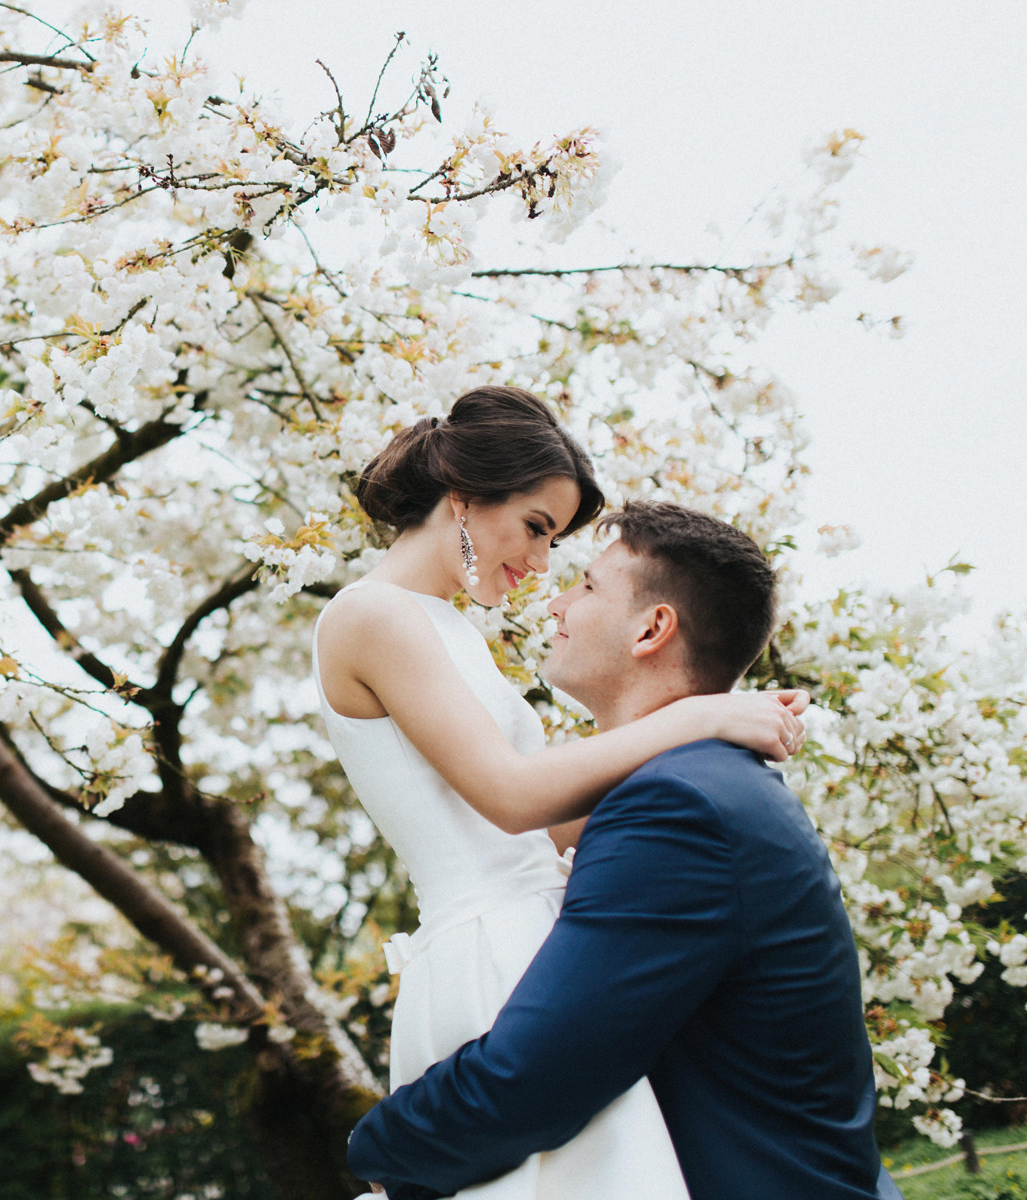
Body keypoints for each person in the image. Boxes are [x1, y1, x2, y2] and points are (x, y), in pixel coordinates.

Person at [312, 386, 811, 1198]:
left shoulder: (443, 627)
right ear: (465, 497)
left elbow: (538, 829)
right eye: (537, 528)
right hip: (489, 950)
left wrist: (695, 774)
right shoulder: (372, 616)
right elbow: (510, 796)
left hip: (536, 937)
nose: (542, 564)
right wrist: (703, 717)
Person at [343, 500, 900, 1200]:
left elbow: (533, 1079)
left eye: (586, 587)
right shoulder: (696, 783)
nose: (555, 604)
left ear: (652, 628)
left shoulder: (678, 807)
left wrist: (373, 1147)